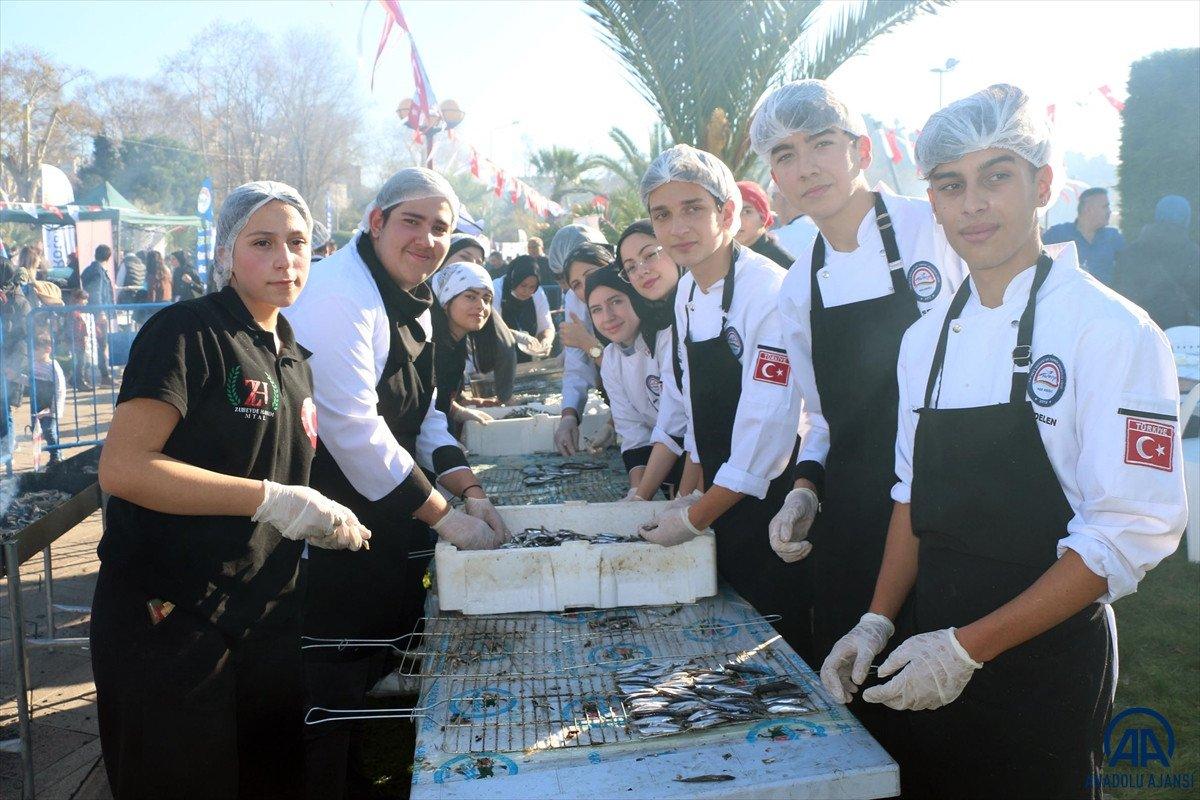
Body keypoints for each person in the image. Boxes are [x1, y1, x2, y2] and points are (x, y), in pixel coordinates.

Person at [822, 84, 1188, 799]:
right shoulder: (923, 340)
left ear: (1042, 185)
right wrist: (876, 621)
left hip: (1046, 657)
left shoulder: (1110, 331)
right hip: (928, 646)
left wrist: (967, 649)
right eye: (950, 185)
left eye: (996, 177)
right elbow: (911, 496)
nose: (973, 204)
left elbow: (1127, 531)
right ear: (933, 202)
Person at [90, 181, 370, 800]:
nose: (285, 259)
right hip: (172, 615)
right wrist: (273, 499)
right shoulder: (187, 332)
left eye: (297, 243)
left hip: (263, 617)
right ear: (225, 254)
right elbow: (126, 468)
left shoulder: (292, 354)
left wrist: (322, 512)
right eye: (262, 243)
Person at [282, 168, 509, 800]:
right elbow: (353, 430)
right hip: (328, 519)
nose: (427, 239)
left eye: (441, 227)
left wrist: (471, 491)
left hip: (382, 515)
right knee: (329, 678)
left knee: (368, 661)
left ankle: (362, 772)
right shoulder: (340, 294)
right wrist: (446, 517)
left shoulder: (417, 298)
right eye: (413, 221)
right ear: (376, 221)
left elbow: (426, 414)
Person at [635, 144, 808, 656]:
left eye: (693, 208)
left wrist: (694, 518)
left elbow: (766, 428)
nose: (677, 228)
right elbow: (694, 410)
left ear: (727, 212)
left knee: (778, 640)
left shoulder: (769, 291)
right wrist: (689, 494)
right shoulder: (687, 291)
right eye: (662, 215)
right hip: (719, 497)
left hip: (772, 499)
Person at [586, 264, 685, 497]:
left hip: (698, 458)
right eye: (597, 309)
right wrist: (636, 490)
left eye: (616, 301)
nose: (608, 317)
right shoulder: (611, 358)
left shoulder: (667, 339)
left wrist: (643, 495)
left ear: (636, 297)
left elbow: (678, 423)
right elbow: (632, 432)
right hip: (663, 462)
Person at [547, 223, 611, 455]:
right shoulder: (575, 298)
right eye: (574, 283)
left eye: (590, 274)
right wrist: (569, 416)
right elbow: (576, 365)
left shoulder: (636, 288)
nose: (585, 289)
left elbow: (637, 370)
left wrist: (588, 344)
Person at [429, 260, 504, 428]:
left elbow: (442, 395)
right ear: (446, 301)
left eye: (486, 299)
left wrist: (462, 404)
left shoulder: (457, 344)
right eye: (470, 297)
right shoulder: (428, 347)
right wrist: (456, 411)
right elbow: (422, 401)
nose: (481, 306)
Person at [444, 233, 518, 403]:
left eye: (479, 263)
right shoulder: (420, 299)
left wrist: (503, 400)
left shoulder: (479, 303)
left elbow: (505, 345)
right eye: (465, 257)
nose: (472, 266)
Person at [1114, 195, 1199, 329]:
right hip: (1181, 329)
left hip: (1142, 327)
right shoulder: (1193, 254)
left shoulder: (1133, 251)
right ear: (1186, 219)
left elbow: (1122, 292)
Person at [1044, 187, 1125, 286]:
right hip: (1065, 295)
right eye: (1105, 207)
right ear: (1088, 209)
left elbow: (1127, 270)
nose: (1109, 211)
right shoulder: (1057, 235)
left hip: (1100, 296)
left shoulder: (1113, 238)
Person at [495, 255, 554, 362]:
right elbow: (492, 328)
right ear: (514, 280)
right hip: (499, 354)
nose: (527, 291)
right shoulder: (496, 289)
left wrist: (546, 341)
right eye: (523, 285)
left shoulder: (538, 292)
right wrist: (518, 336)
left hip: (528, 356)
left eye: (532, 287)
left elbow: (546, 326)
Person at [735, 180, 794, 268]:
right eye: (733, 211)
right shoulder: (722, 258)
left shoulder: (783, 265)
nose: (737, 219)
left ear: (763, 217)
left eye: (746, 212)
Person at [81, 244, 116, 384]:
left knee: (91, 345)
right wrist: (100, 311)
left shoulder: (91, 270)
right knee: (101, 344)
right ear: (108, 257)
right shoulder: (98, 272)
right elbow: (96, 292)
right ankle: (105, 375)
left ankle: (85, 374)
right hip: (98, 313)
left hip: (92, 311)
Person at [769, 180, 820, 258]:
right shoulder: (823, 230)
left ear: (779, 198)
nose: (772, 206)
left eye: (772, 198)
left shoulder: (775, 239)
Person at [68, 288, 99, 390]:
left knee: (82, 361)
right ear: (78, 299)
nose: (86, 301)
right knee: (81, 362)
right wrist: (82, 337)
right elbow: (78, 328)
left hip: (80, 341)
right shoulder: (75, 313)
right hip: (78, 341)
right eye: (84, 299)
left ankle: (74, 379)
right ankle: (80, 382)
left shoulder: (80, 311)